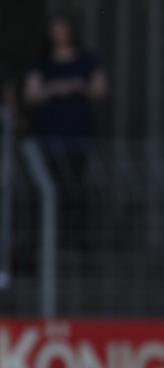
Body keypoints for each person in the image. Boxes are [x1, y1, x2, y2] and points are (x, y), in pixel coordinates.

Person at [24, 15, 107, 252]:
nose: (59, 35)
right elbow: (31, 95)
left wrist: (78, 86)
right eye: (55, 30)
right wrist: (53, 89)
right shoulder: (41, 63)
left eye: (63, 30)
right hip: (49, 134)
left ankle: (74, 239)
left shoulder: (87, 60)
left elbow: (100, 89)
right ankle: (43, 239)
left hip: (77, 134)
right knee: (47, 186)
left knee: (74, 186)